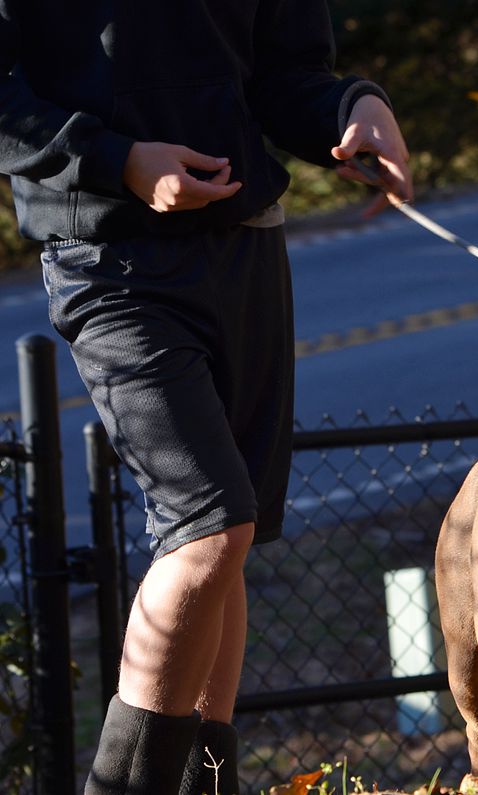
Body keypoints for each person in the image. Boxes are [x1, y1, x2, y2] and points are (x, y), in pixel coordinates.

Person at [0, 2, 413, 793]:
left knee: (229, 539)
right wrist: (117, 158)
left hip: (248, 249)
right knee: (210, 524)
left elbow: (285, 76)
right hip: (111, 260)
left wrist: (353, 107)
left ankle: (211, 783)